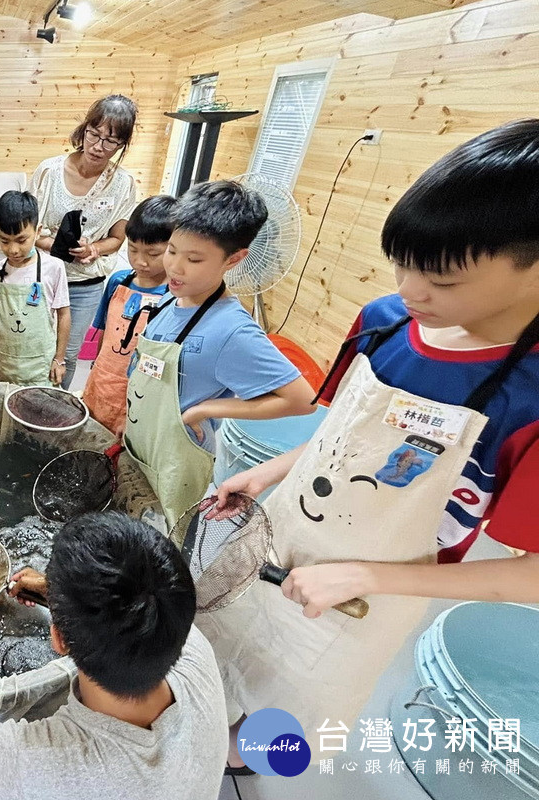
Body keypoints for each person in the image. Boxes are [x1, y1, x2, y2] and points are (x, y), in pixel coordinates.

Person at [201, 119, 539, 770]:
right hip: (290, 530)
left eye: (442, 281)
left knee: (302, 698)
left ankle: (246, 758)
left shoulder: (528, 398)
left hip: (380, 592)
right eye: (404, 265)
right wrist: (268, 470)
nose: (412, 293)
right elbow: (344, 438)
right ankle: (218, 721)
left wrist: (365, 576)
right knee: (237, 636)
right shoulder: (384, 323)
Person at [0, 512, 228, 800]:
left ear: (59, 640)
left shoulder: (37, 768)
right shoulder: (194, 649)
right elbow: (125, 609)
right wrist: (56, 592)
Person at [122, 180, 315, 527]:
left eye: (194, 258)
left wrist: (204, 410)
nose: (175, 267)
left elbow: (303, 400)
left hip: (176, 462)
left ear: (235, 258)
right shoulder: (173, 296)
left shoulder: (232, 331)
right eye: (172, 250)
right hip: (144, 444)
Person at [29, 95, 138, 389]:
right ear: (84, 129)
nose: (98, 147)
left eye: (111, 141)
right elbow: (28, 228)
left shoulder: (123, 184)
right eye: (94, 134)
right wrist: (56, 246)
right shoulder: (50, 172)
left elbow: (117, 239)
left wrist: (94, 249)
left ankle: (54, 411)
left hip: (85, 285)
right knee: (32, 345)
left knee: (68, 354)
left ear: (122, 145)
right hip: (43, 277)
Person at [82, 195, 174, 435]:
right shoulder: (118, 282)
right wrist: (96, 370)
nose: (140, 261)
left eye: (153, 254)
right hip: (101, 381)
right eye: (133, 250)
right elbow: (103, 332)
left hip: (138, 393)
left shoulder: (172, 296)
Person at [0, 190, 70, 387]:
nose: (13, 249)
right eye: (4, 240)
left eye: (21, 240)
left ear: (38, 231)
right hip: (3, 363)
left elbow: (64, 314)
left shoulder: (53, 267)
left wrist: (59, 358)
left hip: (40, 366)